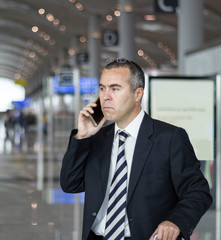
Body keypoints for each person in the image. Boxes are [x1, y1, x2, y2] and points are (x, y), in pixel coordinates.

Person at [60, 59, 212, 240]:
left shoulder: (169, 138)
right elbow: (70, 184)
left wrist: (176, 221)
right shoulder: (97, 138)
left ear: (137, 94)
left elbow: (198, 191)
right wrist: (82, 137)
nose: (105, 97)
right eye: (102, 89)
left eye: (115, 89)